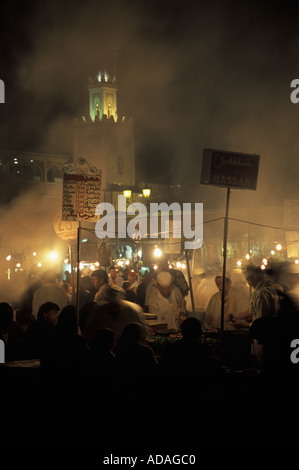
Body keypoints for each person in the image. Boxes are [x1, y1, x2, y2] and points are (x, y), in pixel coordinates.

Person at [82, 286, 151, 346]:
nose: (113, 306)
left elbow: (142, 331)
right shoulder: (99, 310)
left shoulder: (132, 310)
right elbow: (89, 330)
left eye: (115, 303)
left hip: (127, 348)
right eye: (111, 303)